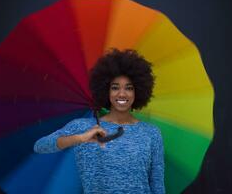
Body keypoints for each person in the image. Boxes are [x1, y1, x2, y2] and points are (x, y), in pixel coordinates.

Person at [34, 49, 165, 194]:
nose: (122, 93)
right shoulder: (83, 127)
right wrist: (80, 138)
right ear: (106, 90)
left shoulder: (151, 133)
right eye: (115, 88)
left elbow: (157, 185)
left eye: (129, 88)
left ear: (138, 91)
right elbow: (40, 146)